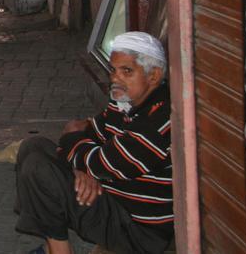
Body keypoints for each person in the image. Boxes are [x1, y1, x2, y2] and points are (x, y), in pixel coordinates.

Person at [14, 32, 173, 254]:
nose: (115, 78)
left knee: (39, 168)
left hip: (136, 231)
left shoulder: (159, 120)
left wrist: (87, 165)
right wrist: (84, 169)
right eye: (113, 70)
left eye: (127, 71)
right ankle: (53, 246)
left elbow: (92, 152)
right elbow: (88, 137)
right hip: (112, 199)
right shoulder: (122, 102)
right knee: (33, 146)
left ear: (154, 76)